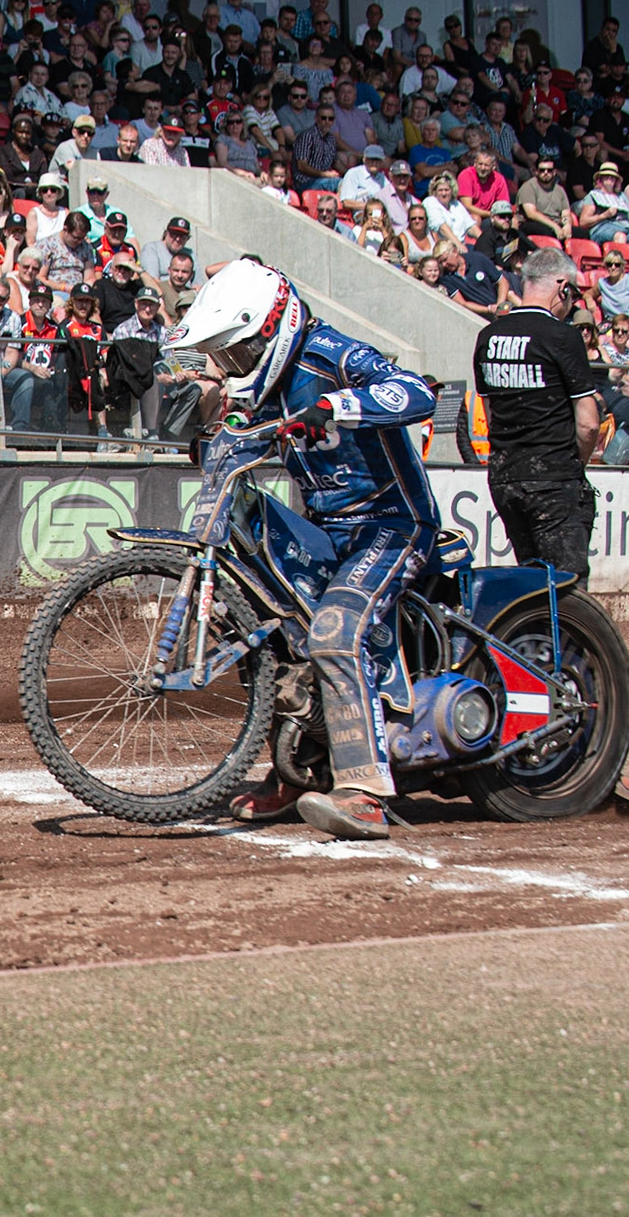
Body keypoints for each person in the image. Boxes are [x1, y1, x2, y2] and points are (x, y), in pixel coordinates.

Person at [170, 257, 439, 842]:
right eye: (230, 358)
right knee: (262, 628)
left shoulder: (331, 353)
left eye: (241, 353)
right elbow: (240, 432)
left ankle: (364, 792)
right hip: (327, 530)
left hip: (392, 525)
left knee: (336, 629)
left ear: (273, 326)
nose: (237, 367)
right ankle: (298, 770)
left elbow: (416, 393)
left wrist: (338, 406)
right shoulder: (264, 383)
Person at [471, 247, 601, 584]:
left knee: (530, 581)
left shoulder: (488, 336)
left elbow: (489, 412)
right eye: (572, 293)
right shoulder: (562, 336)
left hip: (504, 476)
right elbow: (588, 424)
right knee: (567, 587)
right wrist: (576, 466)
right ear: (562, 288)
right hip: (552, 475)